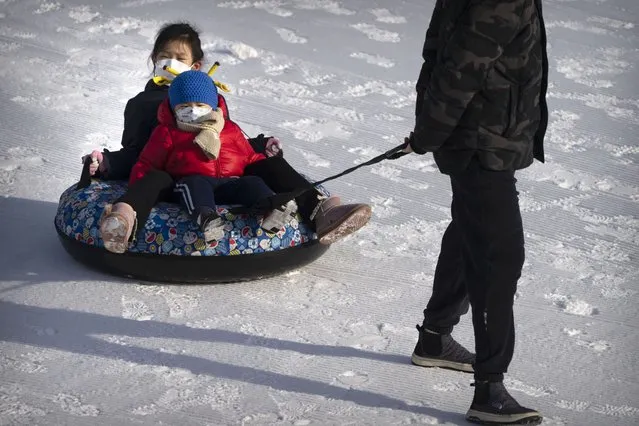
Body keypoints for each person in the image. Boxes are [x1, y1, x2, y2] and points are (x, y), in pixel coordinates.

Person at [83, 22, 372, 253]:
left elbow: (230, 140)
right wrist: (108, 162)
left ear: (196, 65)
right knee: (156, 179)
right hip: (175, 175)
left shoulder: (210, 97)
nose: (170, 62)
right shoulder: (144, 103)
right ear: (153, 59)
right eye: (163, 57)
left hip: (220, 174)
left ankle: (322, 211)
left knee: (267, 167)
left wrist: (260, 145)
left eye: (179, 58)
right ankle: (125, 219)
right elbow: (138, 152)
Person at [401, 0, 548, 424]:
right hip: (481, 138)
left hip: (482, 134)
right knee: (498, 257)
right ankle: (490, 391)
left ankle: (434, 338)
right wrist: (428, 133)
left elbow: (444, 54)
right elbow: (459, 67)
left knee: (472, 229)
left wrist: (430, 130)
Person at [100, 70, 293, 252]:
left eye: (200, 105)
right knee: (195, 183)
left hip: (228, 183)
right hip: (189, 185)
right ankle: (207, 219)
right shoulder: (167, 132)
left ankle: (272, 210)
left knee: (253, 182)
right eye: (184, 106)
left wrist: (266, 159)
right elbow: (147, 164)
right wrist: (138, 189)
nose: (192, 111)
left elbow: (249, 157)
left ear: (212, 105)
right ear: (173, 108)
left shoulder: (229, 129)